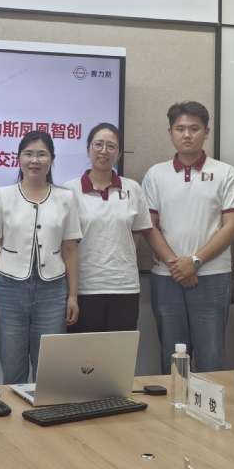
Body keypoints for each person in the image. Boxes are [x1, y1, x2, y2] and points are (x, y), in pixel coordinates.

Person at [142, 102, 234, 371]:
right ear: (170, 133)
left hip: (212, 277)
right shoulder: (156, 174)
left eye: (194, 128)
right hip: (167, 277)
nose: (187, 135)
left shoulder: (225, 173)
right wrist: (178, 266)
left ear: (206, 132)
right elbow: (149, 226)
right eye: (180, 129)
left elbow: (232, 227)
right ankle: (176, 401)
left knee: (211, 356)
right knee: (173, 358)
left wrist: (195, 261)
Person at [0, 130, 82, 384]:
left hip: (53, 291)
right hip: (9, 289)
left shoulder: (65, 198)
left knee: (48, 371)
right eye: (28, 154)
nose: (34, 160)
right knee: (13, 369)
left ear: (51, 160)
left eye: (41, 154)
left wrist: (72, 296)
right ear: (19, 158)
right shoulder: (2, 195)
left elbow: (70, 250)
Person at [62, 123, 151, 334]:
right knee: (84, 353)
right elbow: (65, 244)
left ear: (118, 154)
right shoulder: (68, 190)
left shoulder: (132, 188)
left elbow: (136, 233)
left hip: (124, 286)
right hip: (84, 287)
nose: (104, 151)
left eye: (111, 146)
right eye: (98, 145)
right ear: (88, 149)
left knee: (120, 351)